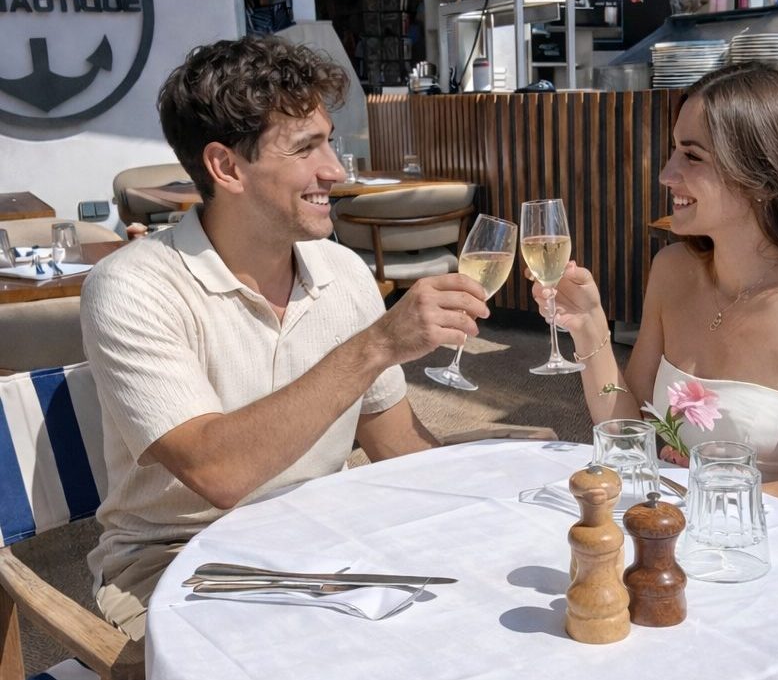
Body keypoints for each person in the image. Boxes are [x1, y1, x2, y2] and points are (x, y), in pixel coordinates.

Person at [80, 36, 490, 643]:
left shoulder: (342, 270)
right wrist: (377, 344)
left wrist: (487, 505)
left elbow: (394, 439)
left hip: (319, 546)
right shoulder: (132, 287)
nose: (336, 169)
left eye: (329, 141)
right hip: (176, 566)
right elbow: (217, 472)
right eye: (306, 148)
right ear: (225, 167)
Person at [532, 61, 778, 524]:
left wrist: (698, 501)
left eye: (692, 156)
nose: (667, 174)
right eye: (674, 151)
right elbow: (630, 432)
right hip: (682, 537)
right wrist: (589, 328)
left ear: (764, 175)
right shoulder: (672, 271)